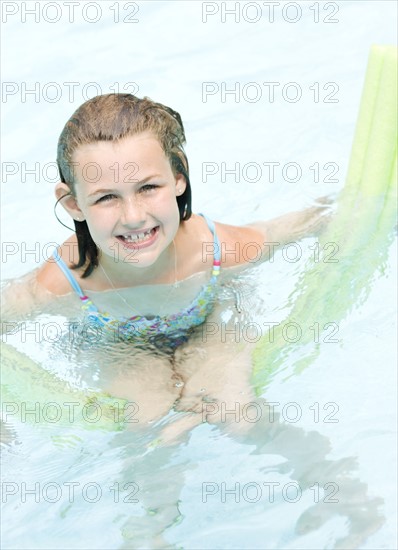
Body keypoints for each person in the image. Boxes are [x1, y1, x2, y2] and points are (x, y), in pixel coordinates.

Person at [1, 93, 332, 432]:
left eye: (147, 187)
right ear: (73, 204)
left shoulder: (215, 251)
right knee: (146, 423)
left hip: (206, 329)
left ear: (178, 178)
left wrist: (342, 212)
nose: (133, 217)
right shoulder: (62, 282)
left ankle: (332, 479)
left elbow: (280, 230)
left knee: (238, 415)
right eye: (107, 197)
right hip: (119, 348)